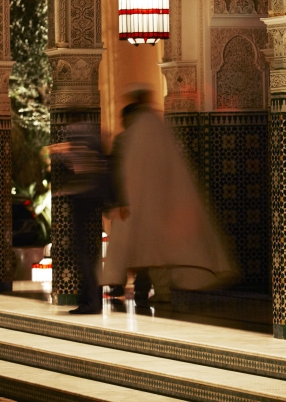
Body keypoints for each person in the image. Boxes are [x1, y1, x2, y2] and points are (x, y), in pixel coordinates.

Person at [101, 86, 236, 303]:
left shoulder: (136, 134)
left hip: (139, 207)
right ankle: (156, 292)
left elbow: (124, 171)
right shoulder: (154, 129)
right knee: (153, 253)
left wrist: (120, 200)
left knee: (146, 252)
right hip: (156, 207)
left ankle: (150, 291)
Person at [49, 110, 109, 314]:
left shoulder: (75, 133)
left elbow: (77, 158)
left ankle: (90, 301)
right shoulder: (92, 135)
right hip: (94, 198)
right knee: (90, 251)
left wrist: (58, 150)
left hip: (83, 198)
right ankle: (91, 299)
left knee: (82, 252)